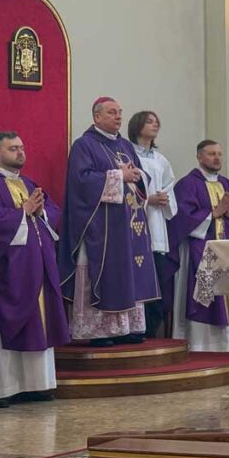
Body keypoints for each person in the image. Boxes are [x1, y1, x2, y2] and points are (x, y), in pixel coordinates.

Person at [58, 97, 160, 347]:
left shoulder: (124, 145)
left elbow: (139, 177)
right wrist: (118, 176)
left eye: (120, 112)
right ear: (97, 117)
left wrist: (137, 175)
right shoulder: (84, 145)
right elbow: (82, 182)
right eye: (112, 112)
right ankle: (99, 331)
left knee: (128, 272)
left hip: (128, 225)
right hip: (101, 227)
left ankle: (129, 328)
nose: (118, 116)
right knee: (105, 273)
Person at [0, 132, 69, 407]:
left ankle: (37, 385)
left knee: (38, 321)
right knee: (3, 324)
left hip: (36, 266)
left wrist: (41, 211)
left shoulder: (29, 183)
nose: (20, 152)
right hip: (6, 269)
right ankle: (3, 388)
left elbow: (52, 211)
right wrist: (22, 211)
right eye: (12, 148)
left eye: (21, 147)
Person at [167, 140, 229, 351]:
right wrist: (213, 213)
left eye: (219, 154)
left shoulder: (227, 184)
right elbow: (181, 218)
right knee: (199, 295)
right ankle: (199, 345)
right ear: (199, 157)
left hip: (226, 251)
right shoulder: (187, 184)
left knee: (226, 297)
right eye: (211, 154)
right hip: (198, 248)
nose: (217, 158)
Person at [128, 111, 178, 338]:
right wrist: (148, 200)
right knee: (137, 280)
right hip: (134, 221)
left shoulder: (160, 159)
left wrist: (165, 200)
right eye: (149, 121)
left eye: (157, 122)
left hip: (156, 224)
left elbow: (169, 186)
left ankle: (151, 330)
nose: (155, 124)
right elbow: (127, 188)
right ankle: (135, 328)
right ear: (137, 126)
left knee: (158, 280)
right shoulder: (127, 154)